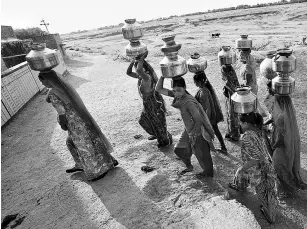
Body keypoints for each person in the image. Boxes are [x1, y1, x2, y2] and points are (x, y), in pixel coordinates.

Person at [38, 70, 118, 181]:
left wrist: (63, 125)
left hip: (73, 124)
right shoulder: (63, 87)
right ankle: (89, 163)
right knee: (78, 142)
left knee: (84, 146)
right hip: (81, 118)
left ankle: (98, 170)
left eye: (43, 81)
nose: (42, 84)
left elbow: (62, 113)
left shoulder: (53, 94)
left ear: (49, 80)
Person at [156, 76, 215, 177]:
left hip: (197, 131)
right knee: (179, 149)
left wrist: (193, 134)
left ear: (184, 87)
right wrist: (162, 76)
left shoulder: (189, 102)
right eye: (174, 91)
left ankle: (208, 172)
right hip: (189, 129)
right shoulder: (179, 96)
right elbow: (158, 89)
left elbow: (199, 120)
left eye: (178, 90)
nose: (176, 93)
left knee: (202, 154)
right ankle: (189, 166)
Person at [228, 112, 277, 224]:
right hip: (266, 165)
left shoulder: (247, 137)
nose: (239, 124)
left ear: (245, 123)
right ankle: (241, 185)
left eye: (240, 122)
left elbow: (255, 159)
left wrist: (241, 168)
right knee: (267, 189)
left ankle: (270, 216)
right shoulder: (259, 129)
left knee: (262, 191)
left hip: (258, 169)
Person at [126, 51, 172, 148]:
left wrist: (141, 59)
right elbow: (128, 72)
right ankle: (161, 134)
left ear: (144, 68)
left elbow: (138, 70)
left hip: (152, 102)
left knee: (156, 122)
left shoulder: (146, 77)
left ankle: (164, 140)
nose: (137, 68)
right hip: (147, 102)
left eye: (138, 66)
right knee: (143, 121)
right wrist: (133, 61)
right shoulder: (141, 76)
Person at [264, 95, 307, 198]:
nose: (274, 104)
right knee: (285, 167)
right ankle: (287, 189)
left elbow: (280, 136)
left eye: (276, 102)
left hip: (280, 147)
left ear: (280, 103)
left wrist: (274, 144)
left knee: (278, 167)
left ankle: (284, 190)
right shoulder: (288, 114)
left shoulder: (280, 117)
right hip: (287, 147)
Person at [193, 71, 227, 154]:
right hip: (210, 115)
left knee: (207, 131)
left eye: (195, 81)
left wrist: (206, 120)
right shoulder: (204, 89)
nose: (194, 83)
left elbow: (208, 108)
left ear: (199, 81)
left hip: (208, 116)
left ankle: (211, 148)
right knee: (215, 130)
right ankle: (222, 147)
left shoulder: (203, 92)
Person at [238, 49, 267, 117]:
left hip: (250, 82)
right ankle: (260, 113)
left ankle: (257, 115)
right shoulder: (249, 58)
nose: (240, 55)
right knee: (254, 99)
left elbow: (248, 75)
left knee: (252, 99)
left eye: (242, 53)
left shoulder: (248, 61)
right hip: (252, 82)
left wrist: (246, 85)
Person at [221, 65, 241, 141]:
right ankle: (232, 132)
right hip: (235, 99)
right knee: (233, 116)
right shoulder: (233, 77)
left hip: (232, 100)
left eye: (222, 73)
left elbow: (227, 92)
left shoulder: (228, 83)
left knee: (232, 116)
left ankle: (235, 134)